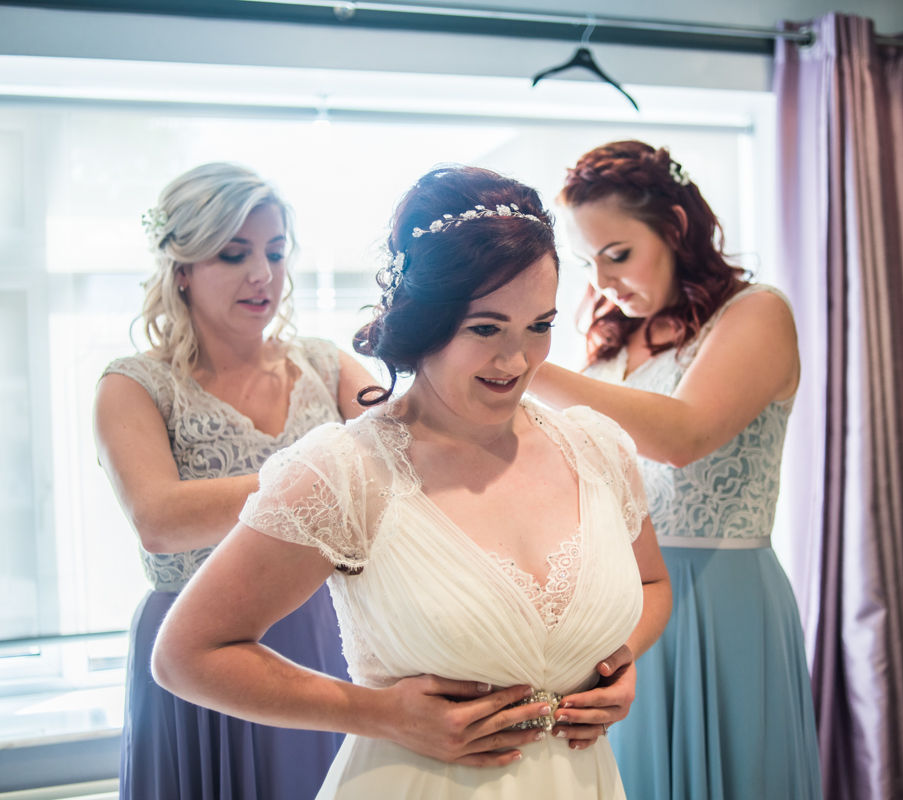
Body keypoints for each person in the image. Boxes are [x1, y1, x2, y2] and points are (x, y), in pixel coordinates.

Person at [150, 164, 672, 799]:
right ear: (424, 320)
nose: (517, 361)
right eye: (486, 328)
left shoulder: (596, 447)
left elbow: (651, 581)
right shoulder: (347, 473)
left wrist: (620, 656)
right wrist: (381, 714)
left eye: (539, 326)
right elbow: (186, 654)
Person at [528, 140, 823, 799]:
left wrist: (525, 361)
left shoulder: (756, 313)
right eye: (588, 263)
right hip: (620, 603)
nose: (603, 282)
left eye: (618, 254)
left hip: (721, 600)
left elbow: (684, 435)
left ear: (675, 227)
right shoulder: (612, 338)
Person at [94, 162, 375, 800]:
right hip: (195, 642)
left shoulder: (326, 364)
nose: (263, 275)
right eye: (234, 253)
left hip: (325, 633)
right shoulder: (134, 385)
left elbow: (410, 455)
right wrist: (320, 477)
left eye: (275, 253)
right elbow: (160, 520)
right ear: (182, 268)